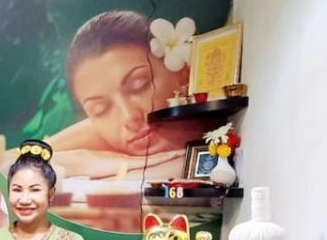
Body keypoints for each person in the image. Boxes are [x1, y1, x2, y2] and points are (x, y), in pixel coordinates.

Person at [43, 10, 206, 180]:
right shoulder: (104, 138)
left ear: (183, 71)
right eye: (100, 109)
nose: (129, 117)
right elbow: (26, 158)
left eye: (139, 85)